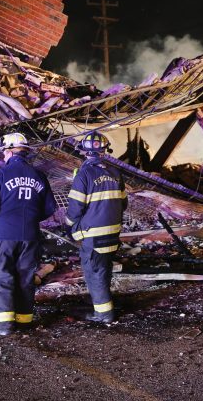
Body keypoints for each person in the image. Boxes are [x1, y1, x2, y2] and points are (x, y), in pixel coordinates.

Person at [0, 132, 57, 335]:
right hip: (30, 235)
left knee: (1, 276)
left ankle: (2, 325)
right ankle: (24, 321)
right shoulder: (39, 176)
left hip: (3, 233)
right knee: (25, 277)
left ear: (9, 151)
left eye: (3, 153)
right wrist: (30, 220)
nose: (3, 157)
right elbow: (49, 208)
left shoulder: (0, 175)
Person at [66, 131, 127, 323]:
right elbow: (123, 204)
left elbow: (75, 208)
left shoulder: (84, 174)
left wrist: (68, 226)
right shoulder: (116, 173)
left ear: (84, 152)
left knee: (94, 272)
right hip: (113, 233)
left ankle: (103, 313)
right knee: (104, 269)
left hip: (93, 235)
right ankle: (104, 304)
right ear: (104, 151)